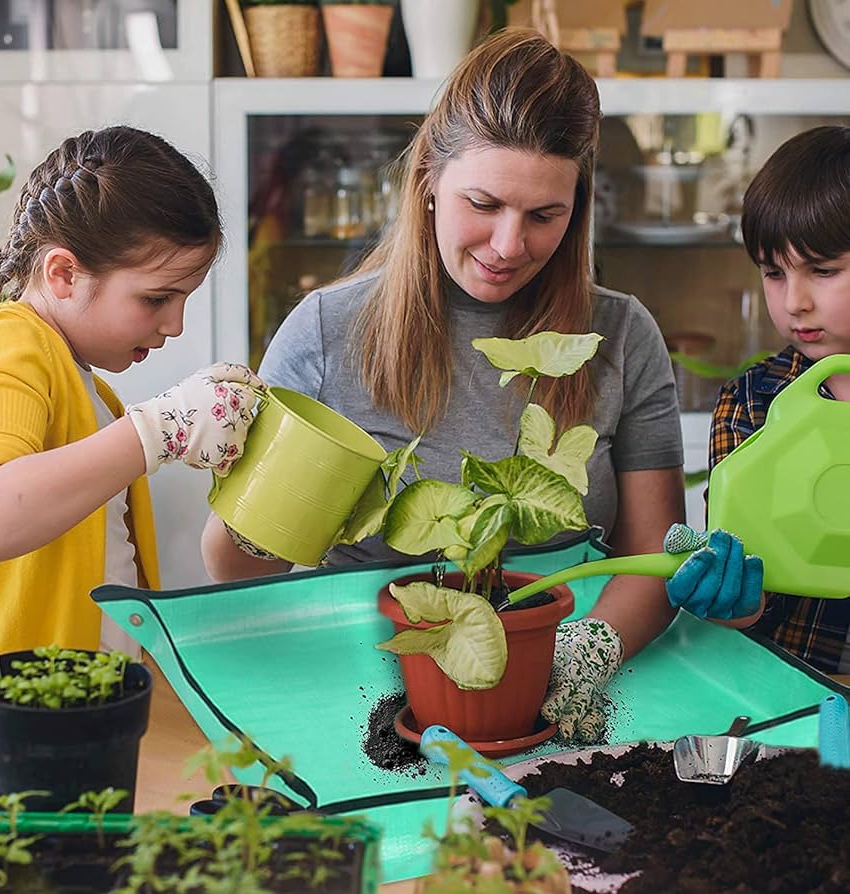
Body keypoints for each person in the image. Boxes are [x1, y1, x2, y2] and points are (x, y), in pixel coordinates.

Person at [201, 29, 761, 741]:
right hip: (365, 692)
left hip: (563, 690)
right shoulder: (326, 330)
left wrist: (576, 658)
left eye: (543, 216)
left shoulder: (619, 336)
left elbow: (647, 563)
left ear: (578, 207)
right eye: (484, 203)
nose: (507, 245)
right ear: (429, 180)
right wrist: (236, 477)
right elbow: (233, 572)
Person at [0, 125, 262, 804]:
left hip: (71, 733)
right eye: (157, 298)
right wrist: (160, 428)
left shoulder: (90, 387)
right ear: (62, 273)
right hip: (12, 749)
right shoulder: (9, 342)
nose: (175, 324)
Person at [702, 124, 850, 673]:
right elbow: (748, 593)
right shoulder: (750, 403)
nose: (795, 302)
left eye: (824, 270)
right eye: (773, 272)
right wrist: (733, 602)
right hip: (790, 688)